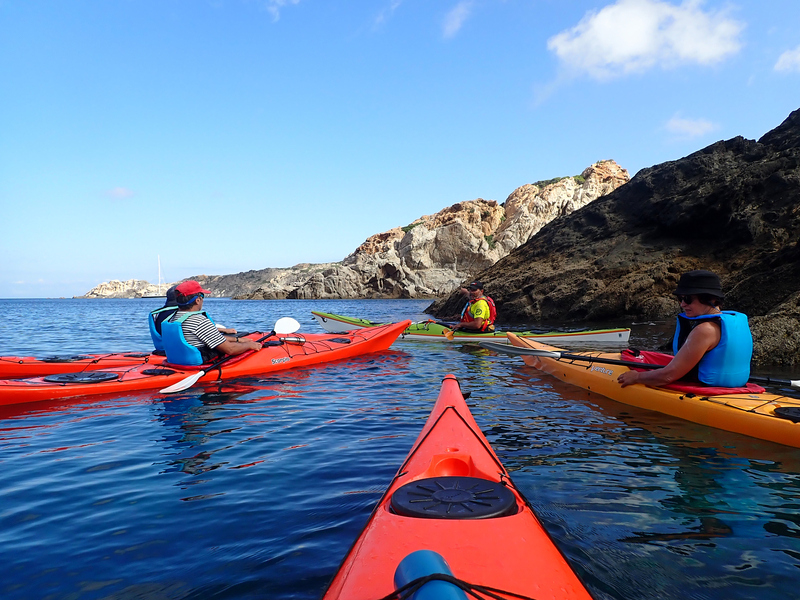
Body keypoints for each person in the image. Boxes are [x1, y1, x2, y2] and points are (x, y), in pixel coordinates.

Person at [618, 270, 752, 388]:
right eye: (680, 299)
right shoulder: (733, 321)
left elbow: (668, 376)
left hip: (709, 391)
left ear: (710, 299)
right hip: (735, 388)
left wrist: (636, 377)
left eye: (688, 299)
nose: (682, 304)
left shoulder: (705, 330)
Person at [161, 280, 261, 366]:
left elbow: (207, 337)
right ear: (197, 300)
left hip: (177, 362)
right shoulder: (199, 321)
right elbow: (231, 349)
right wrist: (250, 345)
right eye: (202, 295)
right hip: (199, 365)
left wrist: (238, 340)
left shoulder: (171, 319)